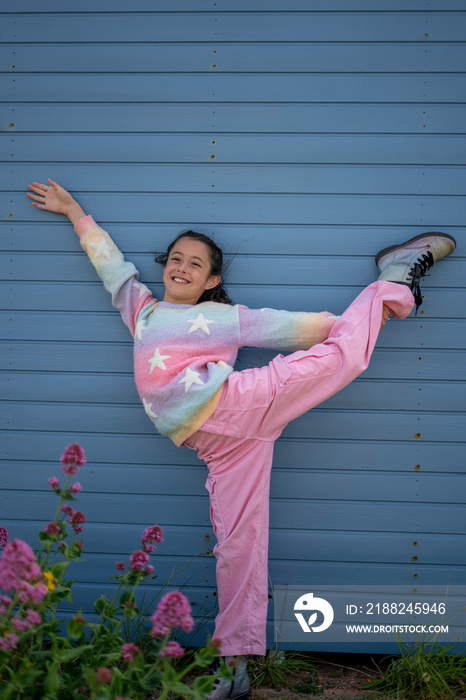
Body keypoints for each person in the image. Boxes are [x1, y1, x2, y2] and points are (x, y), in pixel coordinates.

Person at [27, 179, 456, 700]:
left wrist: (338, 326)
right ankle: (236, 669)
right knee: (237, 551)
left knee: (345, 353)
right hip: (223, 448)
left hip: (242, 403)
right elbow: (111, 266)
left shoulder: (223, 319)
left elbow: (290, 328)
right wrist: (75, 213)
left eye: (195, 263)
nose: (181, 267)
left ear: (211, 280)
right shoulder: (142, 311)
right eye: (175, 259)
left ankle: (393, 280)